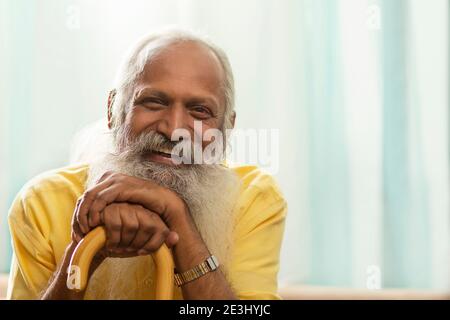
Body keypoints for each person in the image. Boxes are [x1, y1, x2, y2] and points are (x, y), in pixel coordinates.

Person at [7, 28, 287, 300]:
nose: (174, 129)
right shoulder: (41, 202)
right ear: (112, 111)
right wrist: (84, 250)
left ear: (226, 130)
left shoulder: (255, 197)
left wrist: (178, 218)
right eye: (153, 102)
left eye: (199, 111)